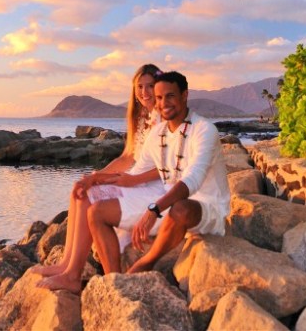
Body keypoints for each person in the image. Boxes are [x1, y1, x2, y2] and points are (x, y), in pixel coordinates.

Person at [34, 63, 164, 292]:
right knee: (82, 188)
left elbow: (167, 166)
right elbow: (127, 157)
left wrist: (101, 181)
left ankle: (73, 275)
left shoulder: (165, 119)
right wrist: (97, 175)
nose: (144, 92)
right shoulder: (142, 118)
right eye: (139, 87)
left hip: (153, 185)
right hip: (136, 178)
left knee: (91, 194)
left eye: (150, 86)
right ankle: (67, 263)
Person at [86, 70, 230, 275]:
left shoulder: (204, 129)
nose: (164, 103)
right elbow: (137, 172)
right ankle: (114, 279)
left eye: (170, 96)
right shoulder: (157, 133)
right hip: (165, 208)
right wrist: (98, 180)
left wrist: (152, 211)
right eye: (159, 98)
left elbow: (192, 180)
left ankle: (145, 263)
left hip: (205, 210)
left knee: (180, 208)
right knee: (96, 211)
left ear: (184, 95)